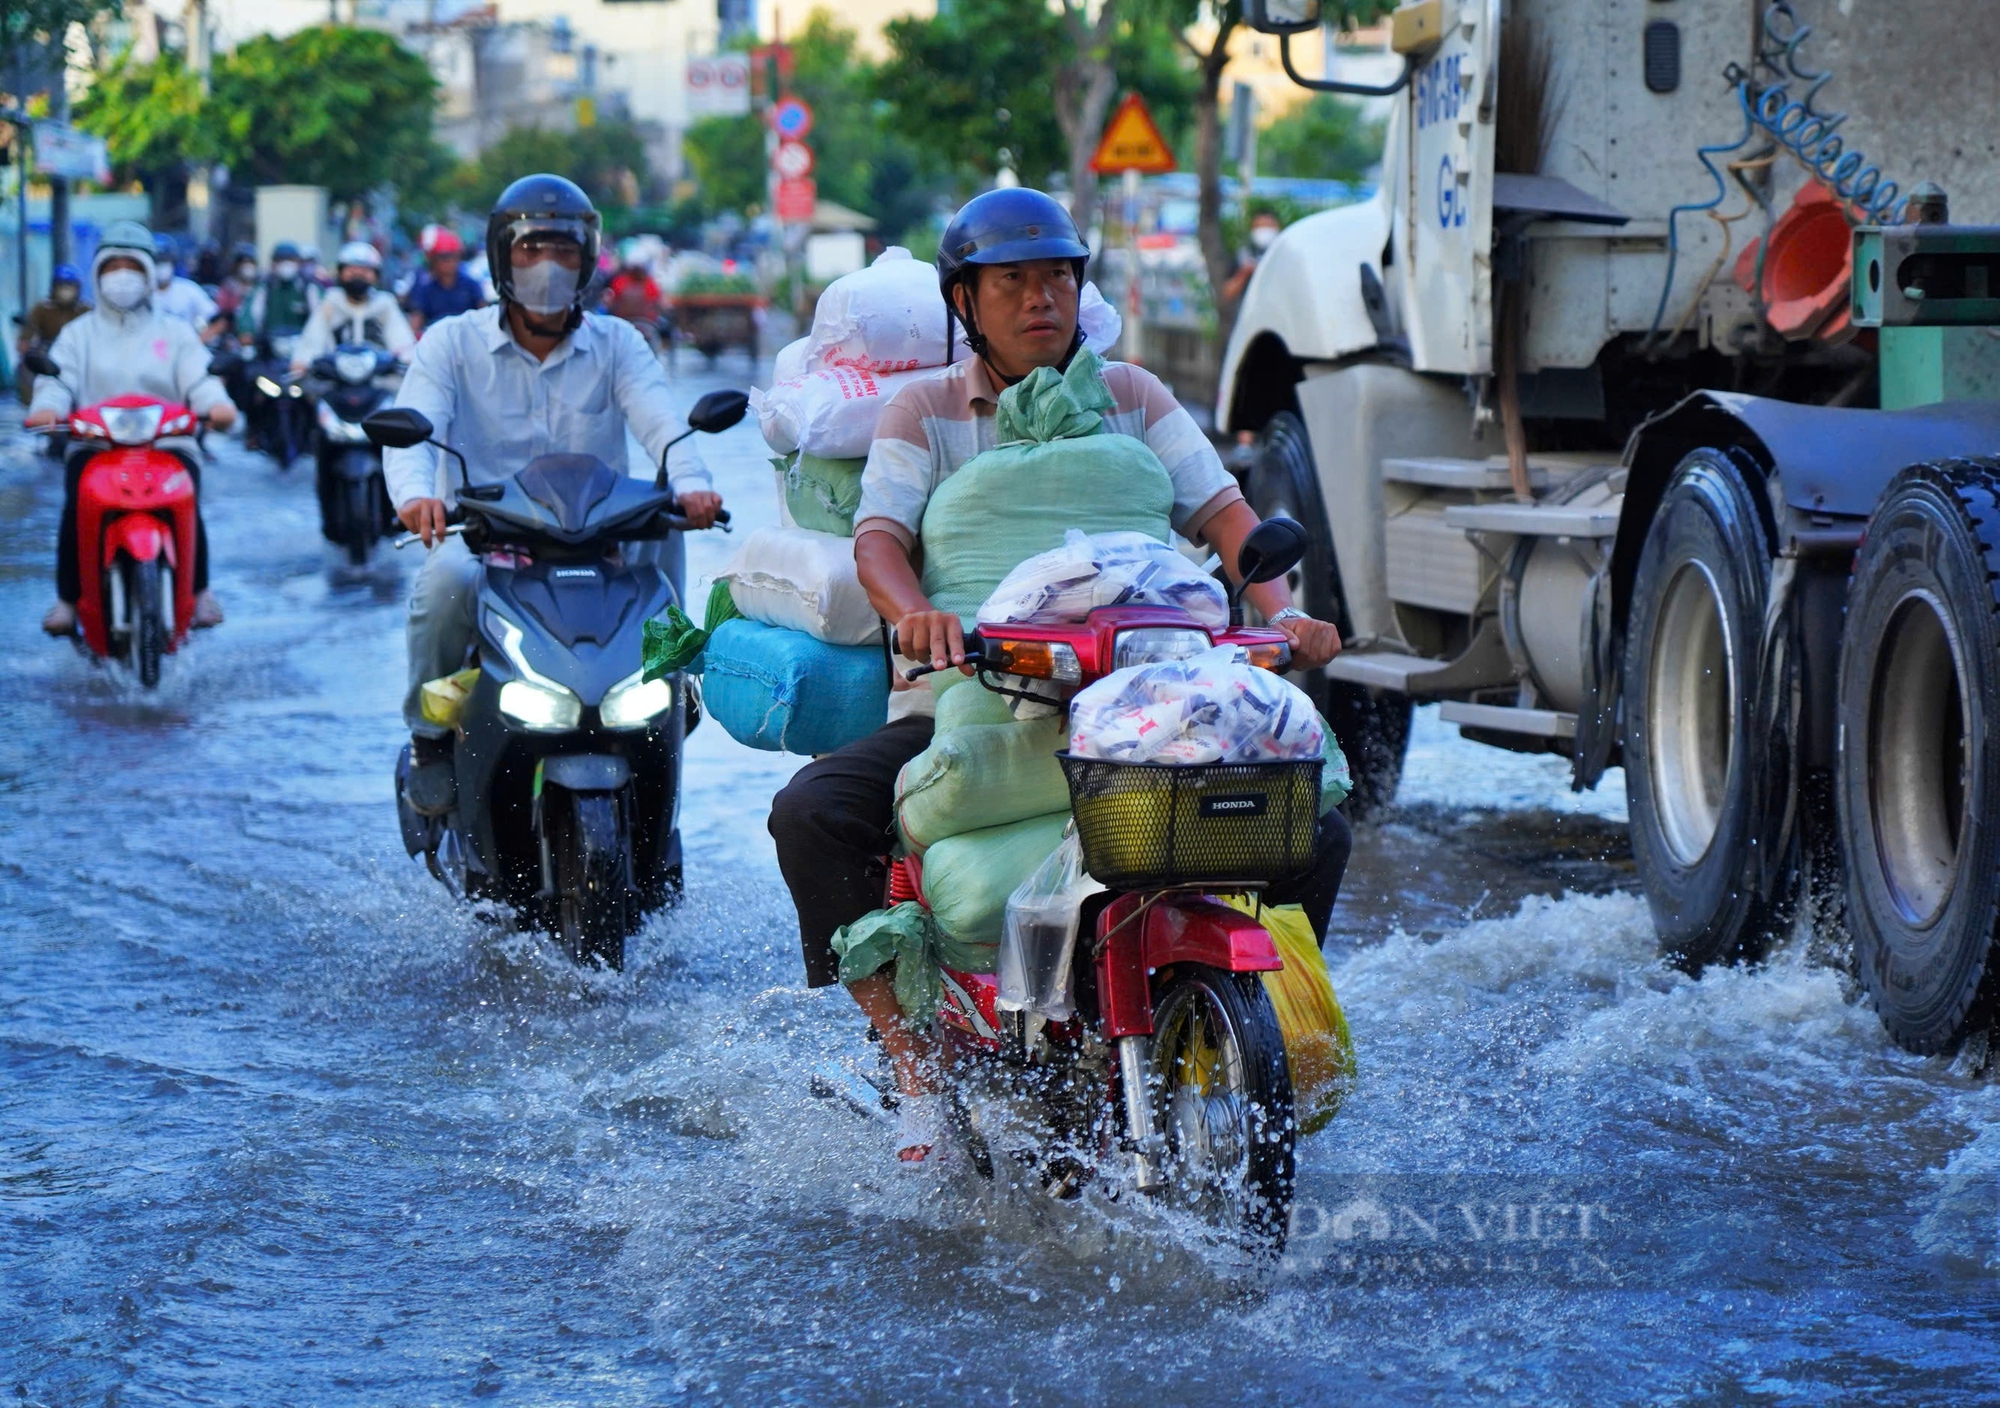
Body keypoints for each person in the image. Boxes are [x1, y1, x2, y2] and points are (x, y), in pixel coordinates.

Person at [765, 188, 1347, 1162]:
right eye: (1011, 282)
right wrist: (916, 611)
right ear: (964, 301)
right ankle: (913, 1064)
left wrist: (1281, 610)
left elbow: (1224, 518)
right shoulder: (926, 411)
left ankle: (1246, 1015)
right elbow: (876, 541)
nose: (1039, 298)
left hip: (1145, 694)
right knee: (810, 813)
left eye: (1056, 277)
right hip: (972, 697)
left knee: (1312, 823)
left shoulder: (1135, 398)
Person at [386, 174, 725, 814]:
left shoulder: (620, 343)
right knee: (442, 586)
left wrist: (694, 483)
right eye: (531, 249)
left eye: (564, 251)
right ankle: (429, 737)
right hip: (489, 542)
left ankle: (674, 679)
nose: (548, 266)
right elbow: (415, 431)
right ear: (500, 256)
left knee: (666, 531)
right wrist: (414, 495)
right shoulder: (451, 344)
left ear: (587, 260)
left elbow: (662, 423)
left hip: (598, 540)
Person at [27, 221, 238, 635]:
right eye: (112, 266)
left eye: (132, 267)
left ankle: (199, 592)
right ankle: (69, 600)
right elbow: (56, 379)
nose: (122, 276)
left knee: (188, 497)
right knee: (74, 506)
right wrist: (46, 409)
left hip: (167, 443)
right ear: (98, 273)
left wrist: (217, 405)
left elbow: (200, 379)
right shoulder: (78, 333)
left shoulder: (175, 332)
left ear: (147, 272)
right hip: (96, 445)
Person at [292, 241, 416, 369]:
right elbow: (312, 340)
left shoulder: (384, 304)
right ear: (340, 273)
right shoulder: (331, 302)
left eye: (365, 271)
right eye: (351, 270)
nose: (358, 275)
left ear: (376, 275)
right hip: (335, 380)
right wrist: (302, 362)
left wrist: (406, 360)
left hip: (377, 380)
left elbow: (402, 343)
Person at [15, 264, 89, 404]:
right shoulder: (42, 308)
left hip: (79, 353)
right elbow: (27, 333)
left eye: (70, 286)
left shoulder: (85, 310)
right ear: (54, 287)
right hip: (48, 354)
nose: (66, 290)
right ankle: (33, 402)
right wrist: (26, 347)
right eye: (62, 285)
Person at [404, 227, 485, 336]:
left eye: (453, 257)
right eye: (444, 258)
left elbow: (484, 318)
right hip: (437, 342)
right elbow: (416, 321)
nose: (449, 263)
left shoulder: (471, 286)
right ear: (433, 260)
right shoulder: (426, 289)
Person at [150, 234, 228, 343]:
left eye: (165, 261)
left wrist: (198, 342)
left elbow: (219, 322)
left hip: (184, 351)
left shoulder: (188, 290)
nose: (161, 267)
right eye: (157, 263)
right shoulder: (143, 293)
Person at [242, 241, 319, 349]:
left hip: (302, 346)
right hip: (269, 347)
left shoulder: (308, 288)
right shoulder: (265, 288)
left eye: (291, 260)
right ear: (273, 263)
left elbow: (320, 316)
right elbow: (249, 313)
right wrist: (247, 331)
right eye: (281, 260)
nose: (286, 264)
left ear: (298, 262)